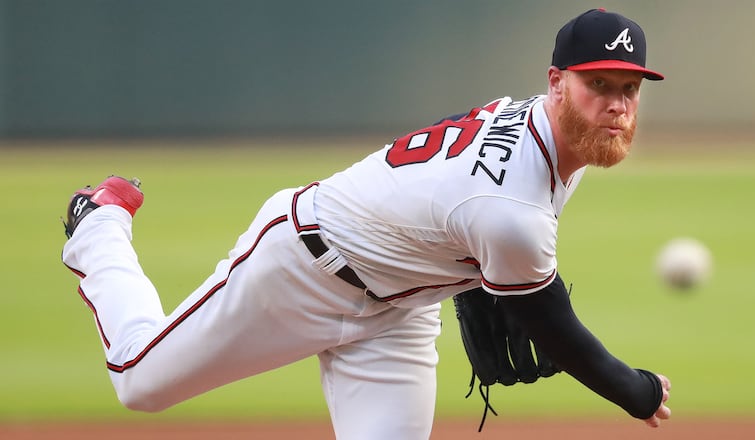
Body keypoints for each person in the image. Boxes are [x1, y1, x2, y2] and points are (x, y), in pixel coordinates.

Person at [61, 8, 671, 439]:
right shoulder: (512, 211)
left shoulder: (555, 126)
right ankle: (99, 224)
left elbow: (449, 161)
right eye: (598, 85)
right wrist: (637, 391)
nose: (616, 105)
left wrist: (461, 258)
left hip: (397, 311)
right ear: (557, 83)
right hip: (300, 267)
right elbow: (554, 329)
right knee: (140, 382)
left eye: (628, 88)